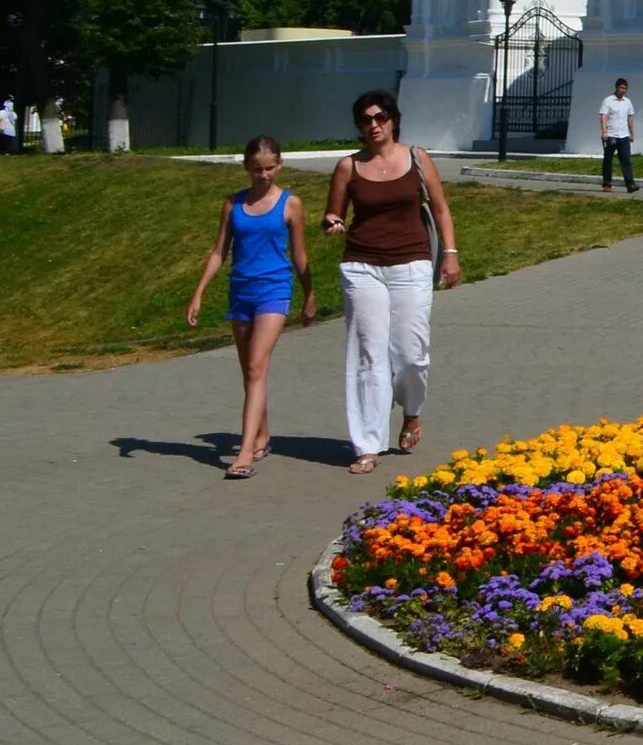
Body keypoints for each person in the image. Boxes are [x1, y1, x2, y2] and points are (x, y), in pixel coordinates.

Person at [324, 89, 460, 476]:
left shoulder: (417, 158)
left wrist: (449, 254)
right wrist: (332, 222)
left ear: (393, 119)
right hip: (362, 266)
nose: (374, 125)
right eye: (366, 120)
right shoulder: (348, 166)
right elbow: (333, 211)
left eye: (380, 117)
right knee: (369, 356)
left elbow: (440, 208)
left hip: (412, 263)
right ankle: (368, 443)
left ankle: (412, 411)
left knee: (411, 353)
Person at [185, 134, 312, 479]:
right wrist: (199, 292)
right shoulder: (233, 205)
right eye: (257, 169)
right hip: (241, 291)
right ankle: (262, 434)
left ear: (280, 165)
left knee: (257, 366)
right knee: (250, 371)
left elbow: (299, 254)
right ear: (246, 167)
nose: (264, 175)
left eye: (270, 168)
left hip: (274, 290)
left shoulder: (290, 204)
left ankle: (244, 454)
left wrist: (309, 293)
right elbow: (218, 252)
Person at [597, 78, 638, 193]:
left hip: (624, 136)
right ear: (616, 87)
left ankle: (630, 184)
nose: (623, 90)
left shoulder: (627, 102)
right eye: (621, 88)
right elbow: (603, 116)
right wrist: (604, 132)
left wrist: (632, 134)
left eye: (625, 88)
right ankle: (607, 183)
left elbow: (630, 117)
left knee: (626, 160)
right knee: (608, 160)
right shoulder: (608, 101)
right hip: (611, 135)